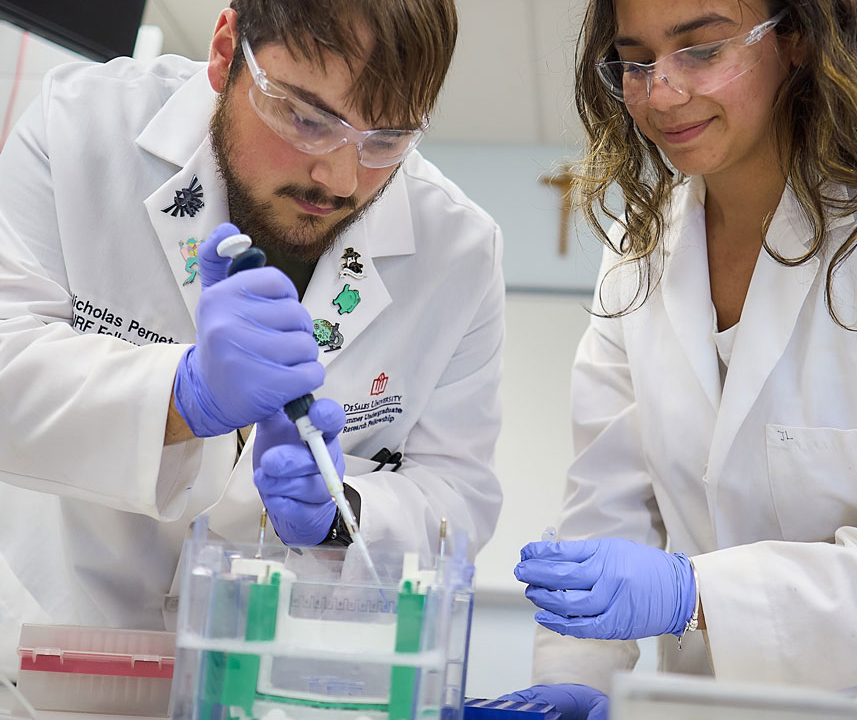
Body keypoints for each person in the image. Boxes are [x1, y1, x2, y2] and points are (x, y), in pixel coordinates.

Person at [0, 0, 505, 676]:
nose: (341, 178)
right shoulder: (81, 129)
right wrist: (184, 397)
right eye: (307, 118)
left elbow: (458, 497)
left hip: (272, 680)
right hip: (44, 659)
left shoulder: (459, 252)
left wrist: (337, 514)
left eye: (385, 141)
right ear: (225, 49)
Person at [504, 0, 857, 714]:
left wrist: (696, 594)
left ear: (799, 40)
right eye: (636, 60)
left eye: (703, 50)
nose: (662, 93)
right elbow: (606, 515)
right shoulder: (639, 257)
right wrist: (573, 681)